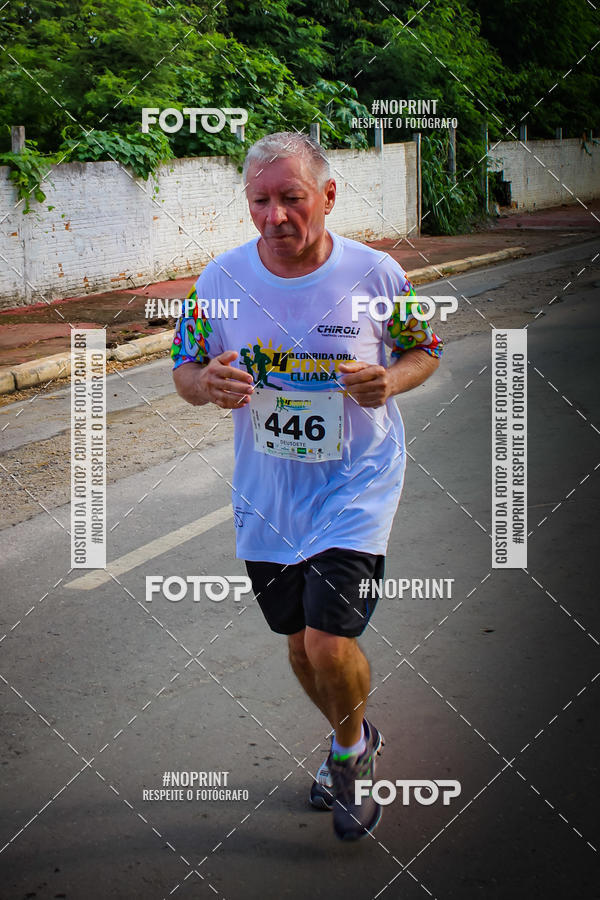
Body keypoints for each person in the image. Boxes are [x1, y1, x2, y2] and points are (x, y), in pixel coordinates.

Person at [171, 132, 443, 841]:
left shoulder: (377, 273)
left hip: (358, 481)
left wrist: (394, 378)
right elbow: (185, 372)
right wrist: (207, 384)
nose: (274, 216)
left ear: (326, 195)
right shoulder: (217, 282)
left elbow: (425, 349)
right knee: (298, 646)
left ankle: (350, 757)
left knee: (327, 643)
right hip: (270, 492)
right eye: (260, 201)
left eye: (290, 198)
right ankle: (354, 734)